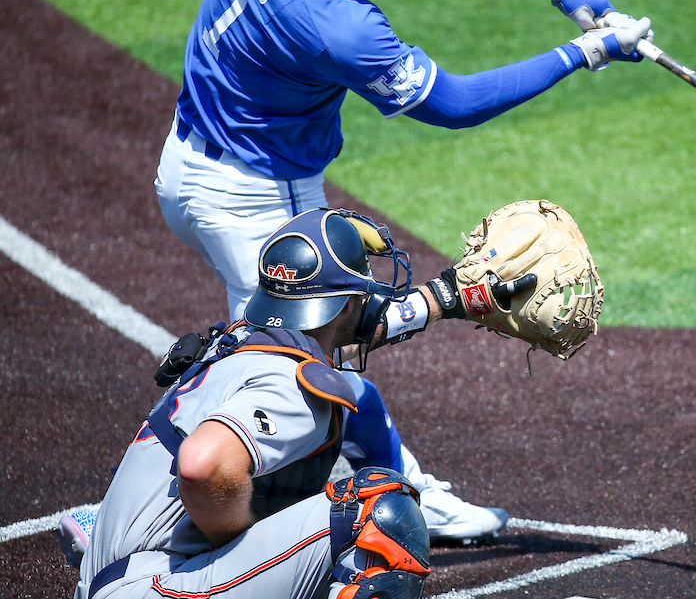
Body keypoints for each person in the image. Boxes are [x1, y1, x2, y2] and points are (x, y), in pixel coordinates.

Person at [133, 0, 650, 548]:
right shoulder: (336, 27)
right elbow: (454, 103)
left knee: (280, 351)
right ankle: (400, 496)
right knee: (325, 356)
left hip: (185, 163)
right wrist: (584, 52)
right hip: (258, 198)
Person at [74, 207, 500, 599]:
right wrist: (240, 540)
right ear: (349, 304)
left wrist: (444, 299)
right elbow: (201, 464)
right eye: (363, 293)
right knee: (377, 512)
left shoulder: (237, 342)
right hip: (153, 586)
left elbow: (333, 342)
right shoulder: (291, 389)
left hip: (120, 570)